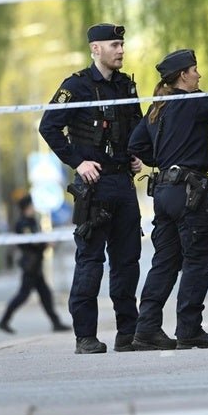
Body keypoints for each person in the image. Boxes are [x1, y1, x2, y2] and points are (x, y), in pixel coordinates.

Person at [127, 38, 208, 351]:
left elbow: (136, 145)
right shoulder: (192, 102)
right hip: (190, 194)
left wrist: (164, 161)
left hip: (163, 193)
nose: (199, 75)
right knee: (198, 259)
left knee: (165, 262)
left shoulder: (157, 109)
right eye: (195, 70)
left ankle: (146, 329)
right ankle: (189, 329)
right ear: (183, 76)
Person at [39, 23, 143, 354]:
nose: (121, 50)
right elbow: (48, 126)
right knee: (90, 262)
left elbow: (137, 126)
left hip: (123, 184)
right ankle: (85, 336)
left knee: (127, 262)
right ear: (95, 49)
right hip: (93, 187)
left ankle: (128, 334)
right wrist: (77, 162)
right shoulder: (77, 86)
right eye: (114, 45)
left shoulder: (126, 86)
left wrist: (136, 155)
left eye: (122, 44)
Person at [0, 195, 71, 334]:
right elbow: (31, 242)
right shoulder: (23, 223)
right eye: (31, 206)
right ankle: (4, 320)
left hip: (36, 265)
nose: (33, 208)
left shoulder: (31, 221)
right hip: (30, 265)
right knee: (23, 295)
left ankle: (56, 323)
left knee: (45, 295)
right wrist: (46, 244)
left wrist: (45, 244)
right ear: (27, 207)